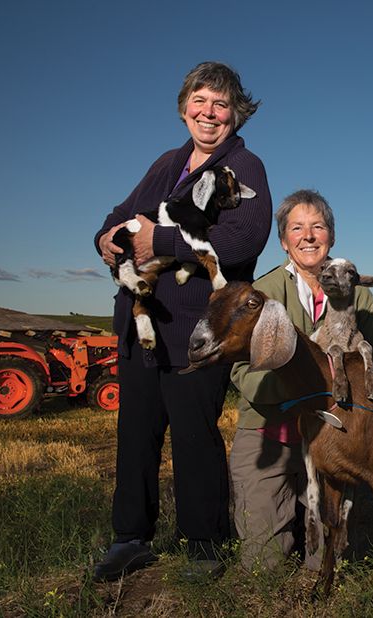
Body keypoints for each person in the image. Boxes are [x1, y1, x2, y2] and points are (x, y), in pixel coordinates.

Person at [92, 62, 272, 581]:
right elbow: (119, 215)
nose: (209, 113)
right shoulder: (168, 163)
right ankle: (130, 538)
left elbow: (242, 243)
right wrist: (105, 239)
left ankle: (204, 543)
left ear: (236, 114)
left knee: (195, 434)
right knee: (137, 434)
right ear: (183, 108)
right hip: (142, 324)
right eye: (200, 101)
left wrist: (160, 241)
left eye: (221, 104)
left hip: (198, 326)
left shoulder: (246, 166)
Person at [228, 189, 373, 569]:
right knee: (262, 565)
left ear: (331, 237)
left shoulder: (359, 295)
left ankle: (318, 534)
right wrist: (297, 393)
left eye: (318, 226)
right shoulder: (262, 294)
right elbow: (240, 368)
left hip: (333, 435)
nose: (309, 236)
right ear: (284, 241)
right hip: (273, 430)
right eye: (297, 228)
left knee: (327, 562)